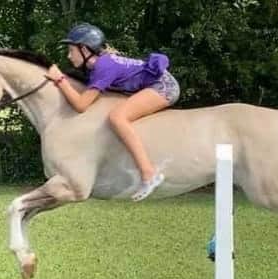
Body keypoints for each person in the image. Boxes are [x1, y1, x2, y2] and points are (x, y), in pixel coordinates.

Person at [45, 23, 180, 201]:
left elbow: (81, 105)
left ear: (84, 49)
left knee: (117, 117)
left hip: (163, 86)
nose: (69, 56)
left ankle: (149, 174)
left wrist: (60, 80)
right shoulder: (98, 66)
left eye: (71, 50)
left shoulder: (104, 67)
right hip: (153, 84)